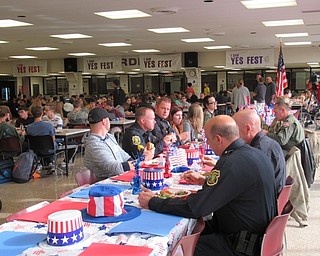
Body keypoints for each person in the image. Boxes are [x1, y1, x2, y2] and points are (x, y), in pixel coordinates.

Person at [139, 115, 277, 256]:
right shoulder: (255, 154)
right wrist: (205, 181)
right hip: (255, 238)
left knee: (174, 249)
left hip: (239, 245)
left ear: (218, 139)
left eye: (208, 140)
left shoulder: (230, 162)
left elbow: (197, 207)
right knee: (191, 230)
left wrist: (153, 202)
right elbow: (234, 187)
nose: (208, 145)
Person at [233, 109, 286, 195]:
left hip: (266, 202)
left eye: (235, 130)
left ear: (247, 129)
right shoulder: (266, 143)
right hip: (269, 197)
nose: (234, 134)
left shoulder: (258, 151)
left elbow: (247, 184)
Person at [82, 107, 134, 181]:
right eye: (109, 120)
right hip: (106, 183)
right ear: (104, 121)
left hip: (118, 178)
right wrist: (137, 163)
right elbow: (115, 169)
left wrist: (137, 162)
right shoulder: (94, 145)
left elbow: (123, 155)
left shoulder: (109, 137)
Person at [26, 105, 56, 174]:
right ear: (42, 113)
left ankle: (39, 163)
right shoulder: (49, 126)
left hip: (35, 149)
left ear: (31, 114)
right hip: (49, 148)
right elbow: (53, 139)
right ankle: (51, 163)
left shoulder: (29, 127)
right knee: (54, 144)